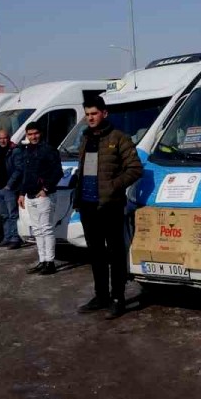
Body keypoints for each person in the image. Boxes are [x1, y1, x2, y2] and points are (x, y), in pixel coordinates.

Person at [74, 96, 142, 320]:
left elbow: (135, 169)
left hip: (110, 206)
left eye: (94, 113)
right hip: (88, 205)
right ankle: (101, 296)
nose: (90, 118)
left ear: (104, 113)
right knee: (96, 254)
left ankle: (118, 298)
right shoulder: (85, 138)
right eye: (87, 114)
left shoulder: (119, 138)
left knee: (115, 253)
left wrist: (112, 186)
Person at [9, 121, 63, 274]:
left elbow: (58, 172)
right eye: (30, 134)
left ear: (41, 133)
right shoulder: (26, 151)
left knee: (46, 229)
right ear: (26, 135)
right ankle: (42, 260)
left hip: (44, 196)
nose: (33, 137)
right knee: (37, 230)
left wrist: (46, 189)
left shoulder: (49, 150)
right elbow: (26, 175)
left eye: (36, 133)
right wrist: (21, 193)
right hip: (30, 195)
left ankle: (50, 262)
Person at [0, 129, 21, 249]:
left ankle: (15, 239)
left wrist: (9, 185)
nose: (3, 140)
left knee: (12, 214)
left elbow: (19, 169)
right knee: (4, 215)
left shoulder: (15, 150)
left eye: (5, 138)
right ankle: (7, 238)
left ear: (9, 138)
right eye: (0, 138)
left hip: (9, 188)